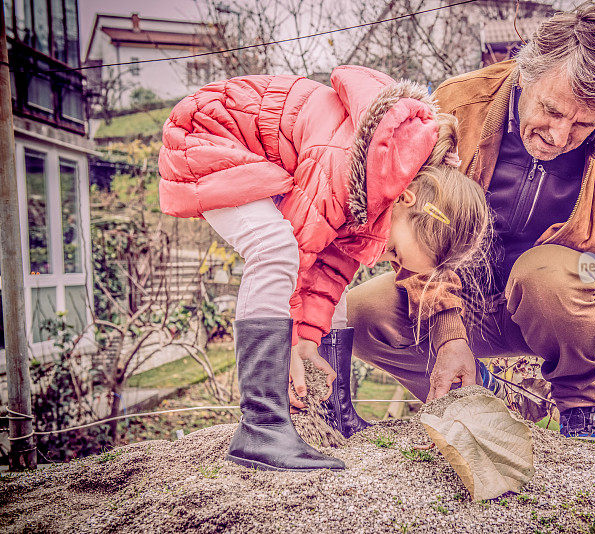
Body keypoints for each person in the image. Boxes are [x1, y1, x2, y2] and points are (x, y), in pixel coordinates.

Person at [347, 3, 595, 453]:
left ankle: (578, 409)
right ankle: (474, 392)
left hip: (562, 308)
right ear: (525, 74)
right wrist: (448, 333)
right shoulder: (458, 105)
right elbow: (419, 229)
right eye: (551, 110)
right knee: (363, 312)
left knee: (547, 276)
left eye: (583, 125)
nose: (559, 137)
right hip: (463, 300)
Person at [158, 66, 491, 471]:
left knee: (332, 287)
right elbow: (299, 250)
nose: (390, 260)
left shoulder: (380, 197)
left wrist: (309, 342)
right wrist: (291, 345)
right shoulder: (348, 163)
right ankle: (261, 426)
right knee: (275, 249)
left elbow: (330, 274)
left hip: (259, 150)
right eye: (398, 253)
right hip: (210, 132)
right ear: (407, 201)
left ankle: (334, 409)